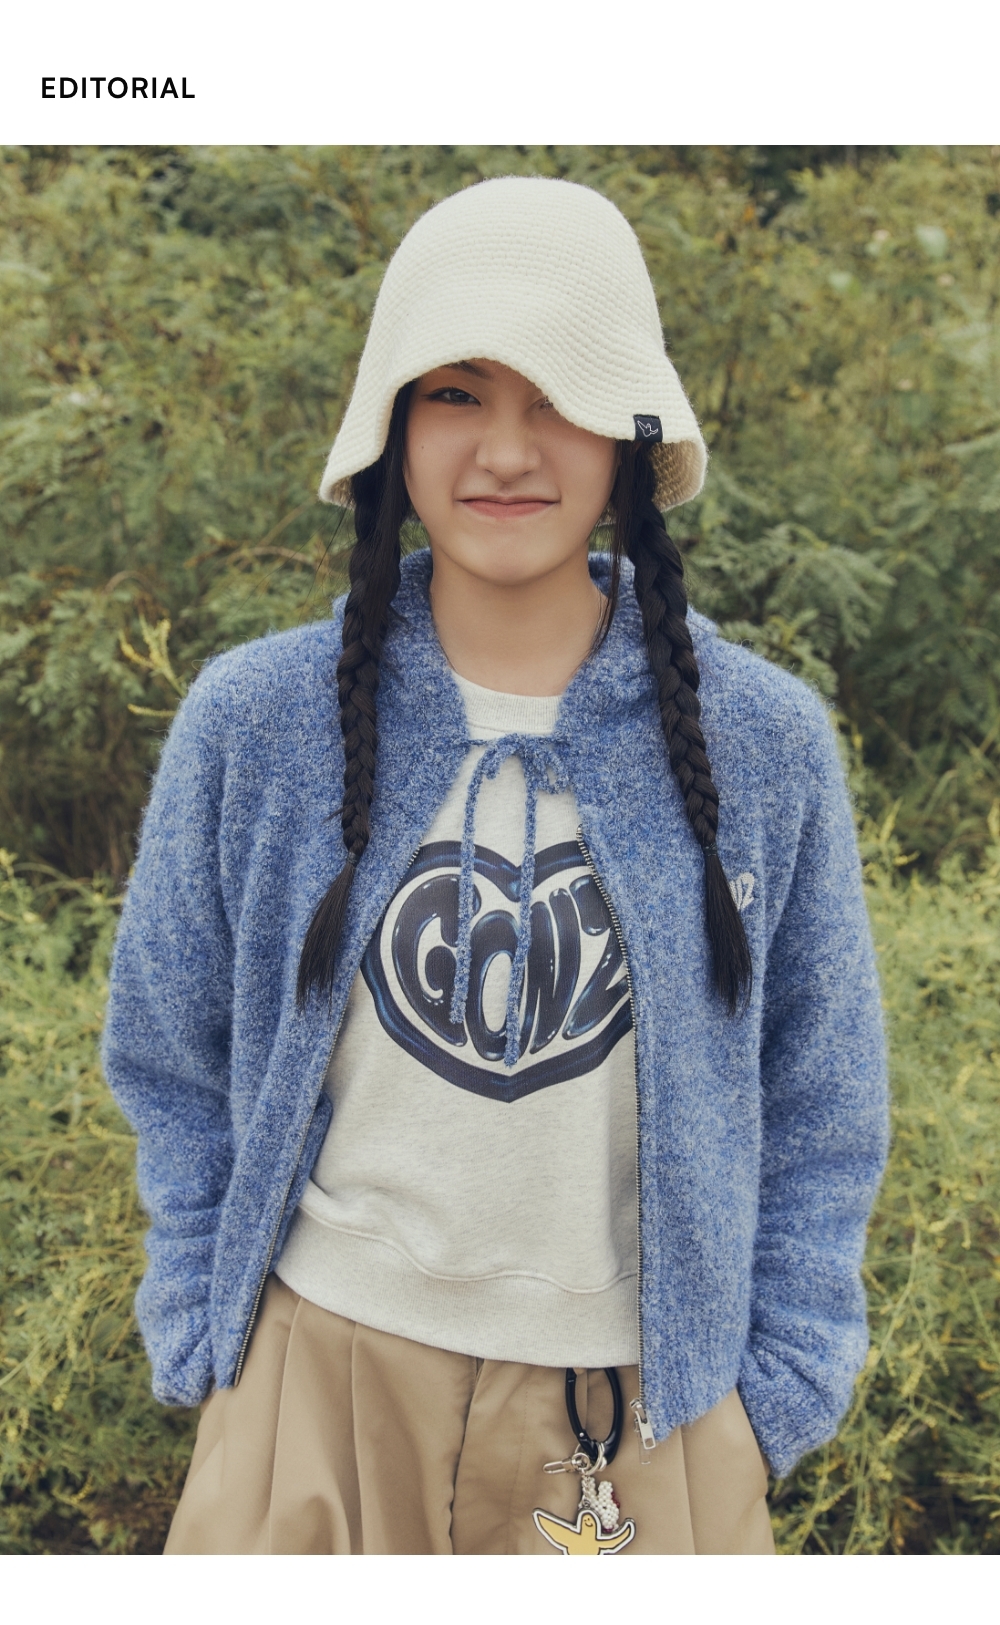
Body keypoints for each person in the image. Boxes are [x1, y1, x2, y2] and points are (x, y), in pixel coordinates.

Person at [101, 176, 889, 1556]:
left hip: (649, 1421)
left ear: (633, 432)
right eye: (456, 393)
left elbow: (823, 1095)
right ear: (390, 426)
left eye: (560, 396)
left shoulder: (762, 743)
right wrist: (202, 1330)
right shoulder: (259, 720)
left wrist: (770, 1399)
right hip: (310, 1387)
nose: (508, 450)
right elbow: (167, 1045)